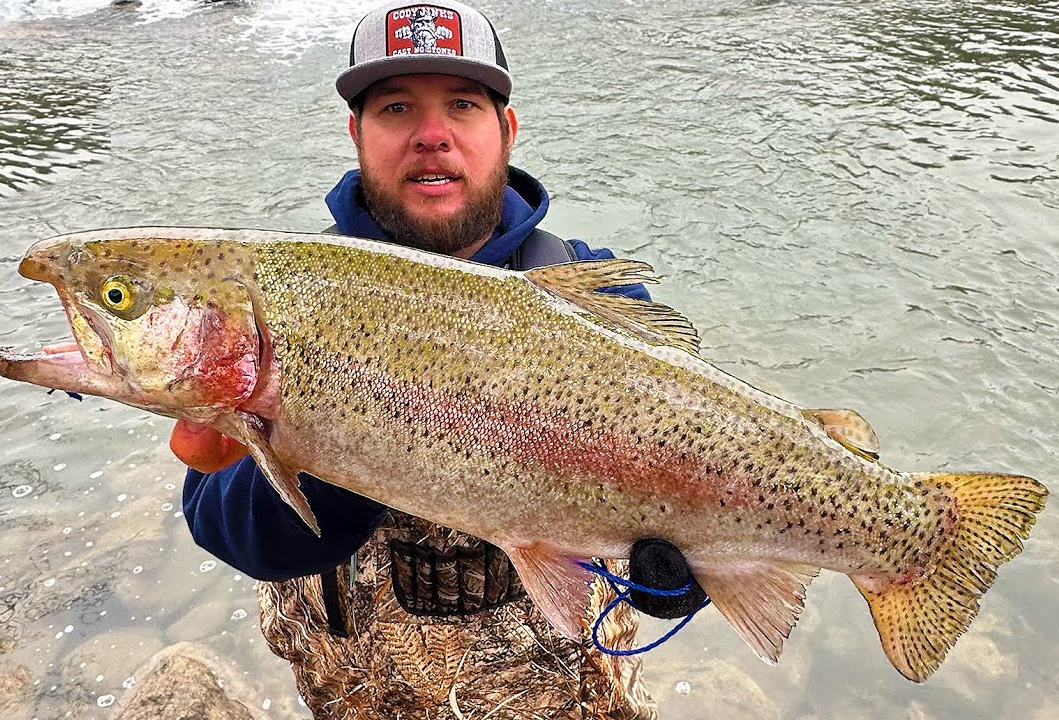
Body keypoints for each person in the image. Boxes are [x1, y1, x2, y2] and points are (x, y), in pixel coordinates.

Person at [173, 2, 704, 717]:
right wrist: (355, 429)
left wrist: (699, 563)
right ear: (356, 135)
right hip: (360, 694)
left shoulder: (598, 297)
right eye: (396, 108)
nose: (431, 136)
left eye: (462, 104)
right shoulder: (284, 302)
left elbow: (714, 460)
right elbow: (220, 523)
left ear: (506, 131)